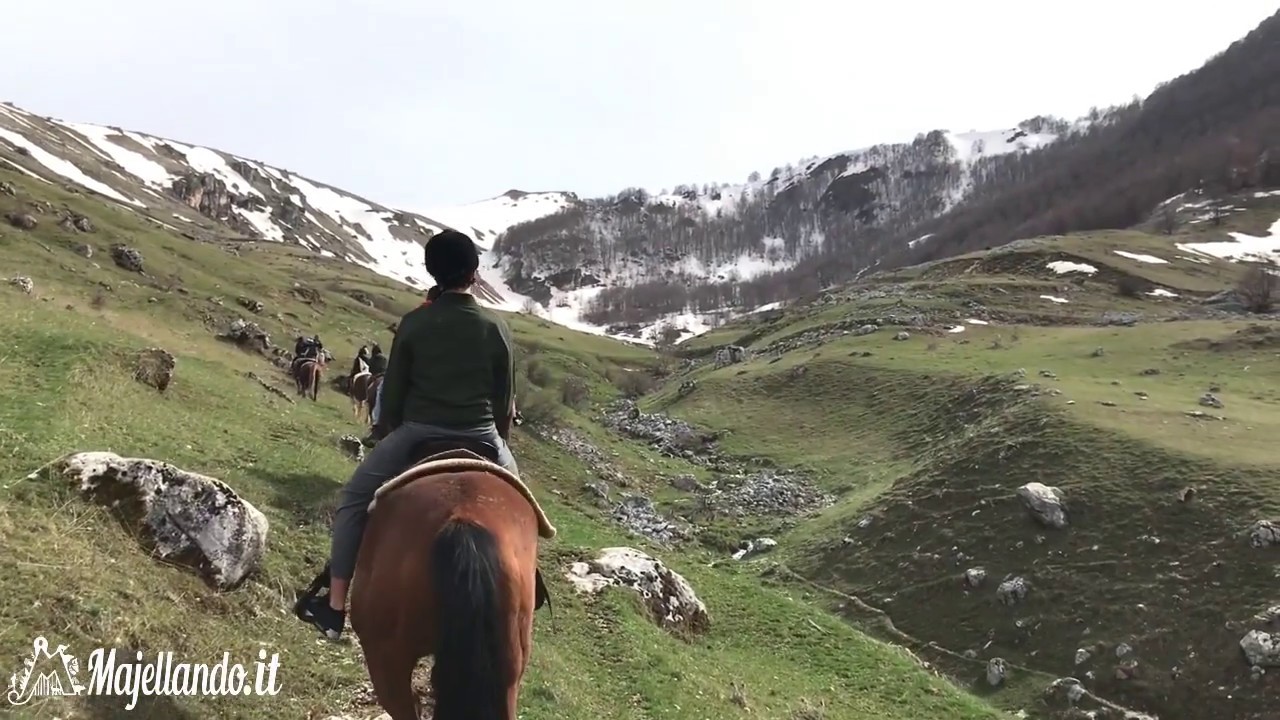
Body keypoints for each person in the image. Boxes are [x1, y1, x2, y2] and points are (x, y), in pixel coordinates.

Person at [296, 230, 518, 640]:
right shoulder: (497, 327)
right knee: (523, 513)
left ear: (433, 272)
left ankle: (334, 608)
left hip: (417, 433)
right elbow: (504, 402)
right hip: (483, 435)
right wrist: (499, 442)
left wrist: (388, 432)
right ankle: (526, 586)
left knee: (354, 501)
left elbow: (393, 394)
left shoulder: (415, 322)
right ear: (474, 273)